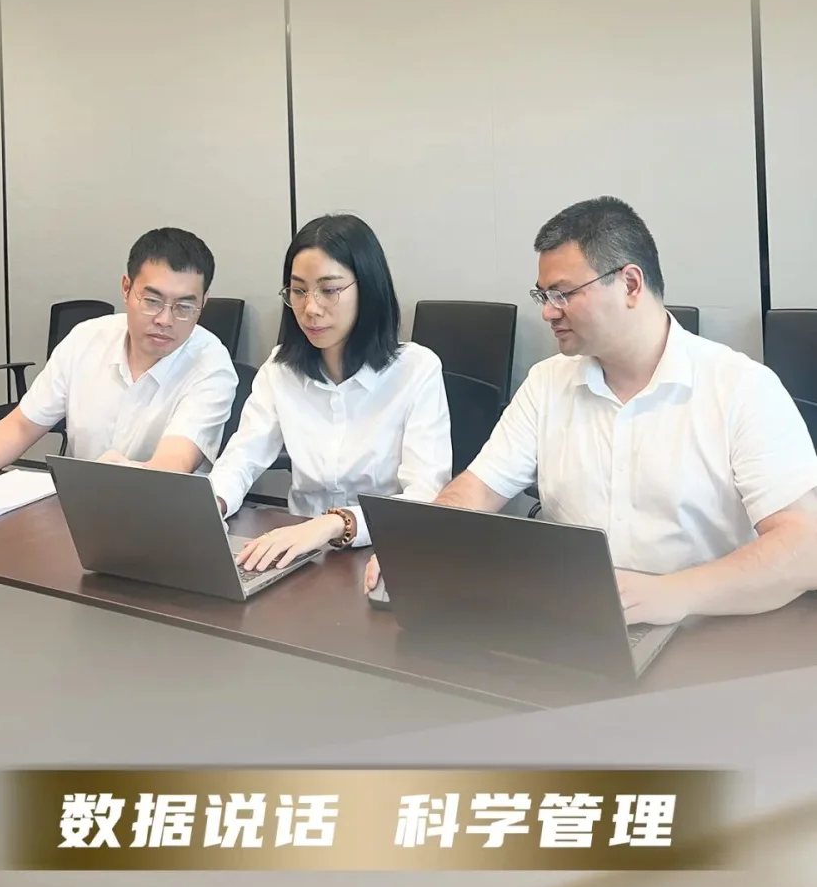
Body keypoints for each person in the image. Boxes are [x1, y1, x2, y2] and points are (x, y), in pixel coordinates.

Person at [364, 196, 817, 625]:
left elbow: (805, 546)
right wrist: (420, 544)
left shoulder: (740, 388)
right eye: (543, 296)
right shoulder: (547, 383)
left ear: (630, 284)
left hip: (708, 630)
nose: (548, 313)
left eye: (562, 294)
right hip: (575, 625)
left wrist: (673, 594)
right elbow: (476, 491)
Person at [210, 213, 451, 572]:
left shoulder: (416, 370)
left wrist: (335, 523)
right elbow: (241, 458)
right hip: (300, 556)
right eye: (298, 291)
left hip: (386, 554)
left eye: (329, 290)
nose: (310, 308)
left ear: (367, 289)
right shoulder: (280, 368)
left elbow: (426, 494)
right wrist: (213, 503)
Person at [0, 227, 238, 493]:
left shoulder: (211, 365)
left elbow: (174, 462)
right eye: (152, 301)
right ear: (126, 288)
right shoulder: (86, 339)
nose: (164, 319)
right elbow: (23, 425)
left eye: (184, 307)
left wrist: (125, 475)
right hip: (79, 507)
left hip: (164, 515)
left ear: (203, 302)